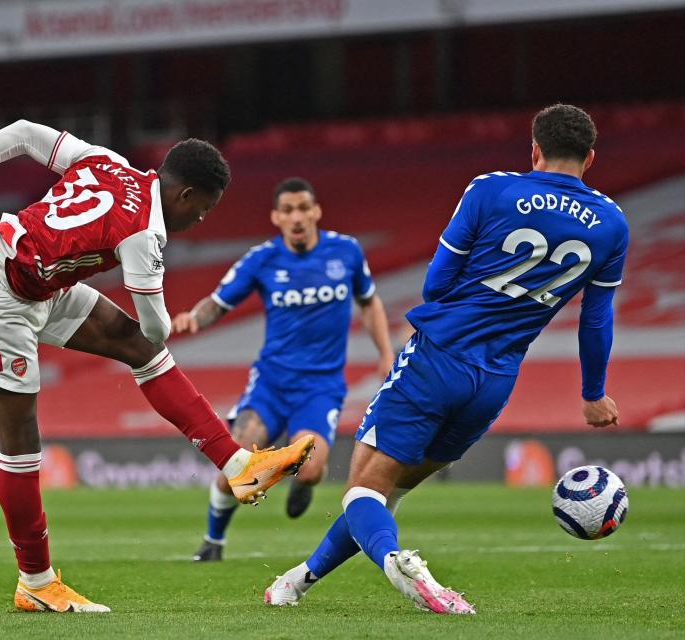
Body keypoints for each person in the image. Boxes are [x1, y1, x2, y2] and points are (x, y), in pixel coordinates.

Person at [0, 120, 315, 613]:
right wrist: (165, 309)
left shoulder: (107, 162)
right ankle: (35, 582)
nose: (201, 221)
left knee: (137, 349)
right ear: (185, 195)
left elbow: (21, 132)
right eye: (204, 209)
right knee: (22, 450)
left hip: (40, 285)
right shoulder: (145, 235)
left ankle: (239, 466)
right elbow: (157, 326)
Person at [264, 104, 627, 614]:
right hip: (495, 381)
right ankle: (296, 582)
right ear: (590, 158)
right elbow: (596, 318)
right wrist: (592, 394)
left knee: (363, 489)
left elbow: (436, 283)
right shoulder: (612, 223)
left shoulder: (492, 190)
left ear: (535, 149)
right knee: (389, 492)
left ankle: (398, 565)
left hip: (438, 358)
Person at [172, 177, 395, 562]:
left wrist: (386, 353)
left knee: (308, 470)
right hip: (271, 385)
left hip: (321, 387)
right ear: (276, 216)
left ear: (316, 211)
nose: (297, 217)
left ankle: (306, 483)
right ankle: (213, 541)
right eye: (288, 210)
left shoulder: (346, 252)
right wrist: (194, 317)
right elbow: (219, 302)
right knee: (237, 466)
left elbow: (369, 302)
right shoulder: (262, 259)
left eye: (304, 208)